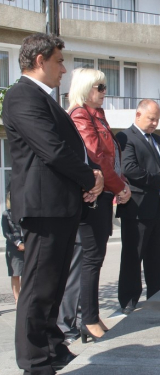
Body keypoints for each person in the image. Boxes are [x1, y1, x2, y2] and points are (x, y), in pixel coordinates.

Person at [2, 33, 103, 374]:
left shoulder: (42, 98)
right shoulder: (21, 96)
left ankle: (49, 346)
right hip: (44, 207)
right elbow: (52, 150)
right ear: (40, 61)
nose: (64, 68)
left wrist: (91, 176)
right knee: (38, 287)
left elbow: (66, 151)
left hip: (59, 205)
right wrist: (91, 178)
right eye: (59, 61)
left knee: (53, 285)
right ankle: (34, 359)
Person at [63, 68, 132, 343]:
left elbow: (110, 157)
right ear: (85, 87)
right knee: (91, 259)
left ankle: (90, 316)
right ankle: (87, 319)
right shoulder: (80, 115)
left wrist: (117, 185)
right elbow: (96, 158)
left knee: (94, 259)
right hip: (92, 196)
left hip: (102, 194)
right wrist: (121, 187)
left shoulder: (97, 116)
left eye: (104, 87)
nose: (104, 92)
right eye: (99, 87)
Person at [116, 99, 160, 314]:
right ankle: (129, 300)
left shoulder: (159, 140)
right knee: (134, 255)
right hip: (137, 207)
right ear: (138, 115)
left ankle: (157, 295)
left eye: (157, 119)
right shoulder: (125, 137)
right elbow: (129, 168)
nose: (154, 123)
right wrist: (158, 180)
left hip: (159, 206)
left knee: (158, 256)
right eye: (151, 118)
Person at [2, 191, 24, 306]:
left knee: (26, 274)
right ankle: (17, 300)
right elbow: (6, 233)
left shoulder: (24, 213)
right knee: (15, 274)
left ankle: (25, 299)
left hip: (27, 247)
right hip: (13, 248)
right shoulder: (6, 214)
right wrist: (18, 243)